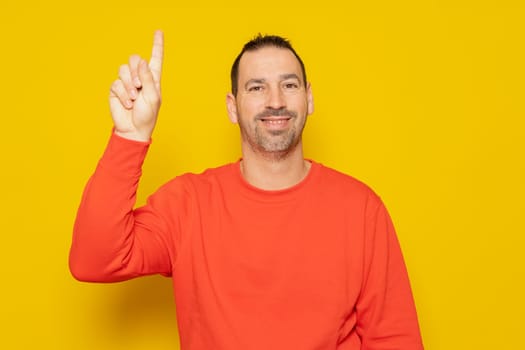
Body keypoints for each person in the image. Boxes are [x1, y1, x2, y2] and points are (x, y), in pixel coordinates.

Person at [69, 30, 424, 350]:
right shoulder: (188, 204)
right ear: (232, 107)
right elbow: (93, 259)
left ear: (309, 98)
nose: (275, 101)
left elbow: (395, 338)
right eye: (256, 87)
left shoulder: (360, 208)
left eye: (289, 85)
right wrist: (130, 138)